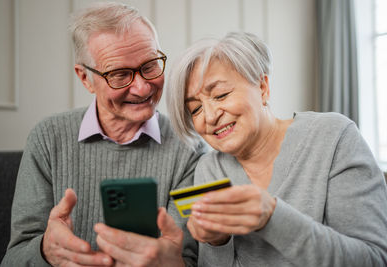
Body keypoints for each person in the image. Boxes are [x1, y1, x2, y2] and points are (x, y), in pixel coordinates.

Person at [1, 2, 205, 266]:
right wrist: (44, 250)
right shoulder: (48, 137)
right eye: (120, 75)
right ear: (85, 78)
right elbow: (13, 259)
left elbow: (189, 258)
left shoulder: (189, 147)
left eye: (151, 65)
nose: (143, 88)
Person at [166, 31, 387, 266]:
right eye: (196, 109)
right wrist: (217, 242)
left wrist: (272, 217)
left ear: (262, 87)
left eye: (221, 95)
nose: (210, 116)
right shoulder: (209, 170)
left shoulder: (333, 137)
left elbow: (373, 259)